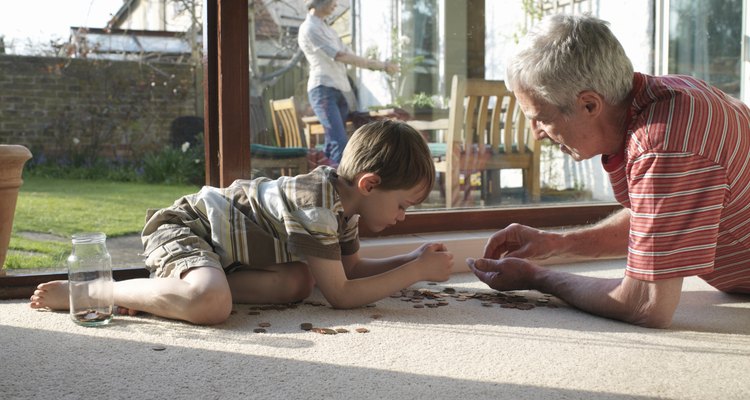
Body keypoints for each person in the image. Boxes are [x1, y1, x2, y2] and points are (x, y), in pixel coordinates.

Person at [468, 14, 750, 328]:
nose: (536, 134)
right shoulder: (665, 97)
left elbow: (645, 304)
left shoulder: (665, 145)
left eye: (541, 118)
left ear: (589, 104)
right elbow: (658, 216)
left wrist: (538, 277)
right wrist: (556, 243)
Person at [30, 120, 454, 325]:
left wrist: (410, 257)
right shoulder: (317, 206)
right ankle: (94, 291)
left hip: (227, 253)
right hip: (186, 229)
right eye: (403, 205)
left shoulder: (345, 210)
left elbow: (351, 271)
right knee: (211, 306)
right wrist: (414, 272)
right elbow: (342, 295)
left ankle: (170, 293)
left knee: (298, 282)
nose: (403, 217)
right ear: (370, 183)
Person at [298, 0, 398, 164]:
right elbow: (340, 56)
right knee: (340, 142)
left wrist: (378, 64)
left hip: (340, 90)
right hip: (323, 90)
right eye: (332, 1)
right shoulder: (309, 28)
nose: (335, 5)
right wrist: (381, 66)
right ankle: (340, 186)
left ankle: (327, 183)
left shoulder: (328, 29)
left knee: (333, 142)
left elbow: (349, 54)